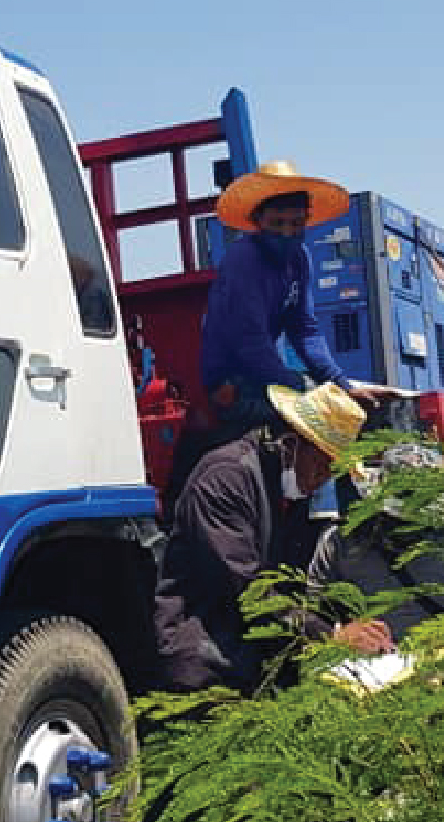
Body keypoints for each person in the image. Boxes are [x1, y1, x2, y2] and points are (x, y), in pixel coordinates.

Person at [152, 381, 393, 693]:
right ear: (292, 443)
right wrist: (333, 635)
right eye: (320, 467)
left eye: (330, 474)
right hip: (204, 662)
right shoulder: (226, 478)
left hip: (248, 659)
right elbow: (247, 589)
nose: (320, 482)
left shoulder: (284, 490)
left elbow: (289, 587)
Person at [198, 161, 397, 433]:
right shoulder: (243, 260)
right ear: (258, 222)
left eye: (296, 223)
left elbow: (304, 329)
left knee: (352, 414)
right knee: (321, 424)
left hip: (263, 376)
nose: (287, 232)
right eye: (277, 223)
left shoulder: (300, 258)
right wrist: (302, 391)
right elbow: (250, 342)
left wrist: (341, 385)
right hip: (231, 381)